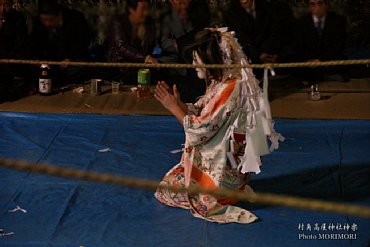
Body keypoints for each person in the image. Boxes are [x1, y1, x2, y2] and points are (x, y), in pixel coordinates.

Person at [154, 27, 283, 223]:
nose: (194, 64)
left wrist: (174, 108)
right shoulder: (226, 82)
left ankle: (222, 194)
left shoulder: (230, 88)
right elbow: (204, 112)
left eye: (198, 59)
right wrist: (180, 104)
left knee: (165, 191)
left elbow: (200, 130)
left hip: (223, 175)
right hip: (229, 165)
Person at [29, 0, 92, 85]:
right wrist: (38, 59)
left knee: (77, 69)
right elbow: (34, 44)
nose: (47, 24)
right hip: (49, 61)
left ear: (59, 15)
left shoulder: (76, 18)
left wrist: (70, 58)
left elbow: (84, 42)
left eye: (50, 20)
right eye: (44, 20)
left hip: (71, 59)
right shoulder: (38, 22)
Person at [294, 0, 347, 81]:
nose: (317, 8)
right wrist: (310, 60)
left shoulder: (338, 21)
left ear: (326, 4)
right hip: (308, 62)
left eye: (320, 3)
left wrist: (321, 60)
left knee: (342, 61)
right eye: (313, 4)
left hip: (329, 60)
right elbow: (299, 46)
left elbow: (338, 45)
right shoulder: (301, 23)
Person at [105, 0, 157, 83]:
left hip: (140, 64)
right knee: (133, 75)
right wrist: (144, 58)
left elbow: (150, 45)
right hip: (121, 67)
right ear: (131, 10)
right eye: (143, 9)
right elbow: (121, 46)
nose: (146, 13)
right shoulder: (118, 22)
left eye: (147, 9)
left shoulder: (149, 24)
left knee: (161, 70)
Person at [223, 0, 280, 65]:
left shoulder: (270, 7)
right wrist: (258, 56)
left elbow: (275, 32)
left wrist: (267, 52)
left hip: (274, 57)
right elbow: (240, 37)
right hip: (249, 62)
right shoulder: (230, 13)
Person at [0, 0, 28, 102]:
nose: (2, 9)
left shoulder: (17, 17)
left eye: (6, 5)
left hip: (10, 65)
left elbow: (20, 44)